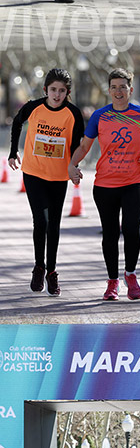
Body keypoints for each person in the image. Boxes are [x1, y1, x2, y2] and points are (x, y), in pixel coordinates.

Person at [68, 67, 140, 301]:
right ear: (109, 90)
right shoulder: (100, 116)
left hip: (134, 182)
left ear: (130, 89)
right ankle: (112, 282)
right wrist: (72, 165)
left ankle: (130, 275)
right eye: (114, 87)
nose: (118, 91)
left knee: (131, 230)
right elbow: (85, 146)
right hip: (105, 185)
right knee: (110, 234)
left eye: (122, 87)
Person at [9, 67, 84, 296]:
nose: (57, 94)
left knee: (54, 224)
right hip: (33, 173)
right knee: (40, 221)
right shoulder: (34, 107)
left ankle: (52, 271)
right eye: (53, 90)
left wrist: (74, 167)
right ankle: (38, 267)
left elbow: (77, 145)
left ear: (67, 92)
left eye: (62, 91)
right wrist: (13, 152)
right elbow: (16, 122)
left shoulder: (73, 114)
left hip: (58, 176)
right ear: (46, 90)